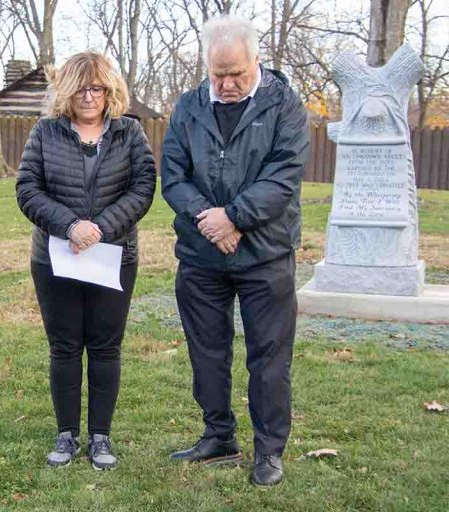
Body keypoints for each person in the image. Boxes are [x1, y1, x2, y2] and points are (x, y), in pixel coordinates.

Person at [161, 15, 309, 486]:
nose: (225, 84)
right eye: (217, 74)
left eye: (236, 74)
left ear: (256, 61)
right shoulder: (188, 107)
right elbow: (174, 175)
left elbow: (283, 176)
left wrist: (235, 217)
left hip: (266, 254)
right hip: (203, 254)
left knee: (268, 357)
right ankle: (218, 434)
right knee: (207, 351)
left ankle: (269, 451)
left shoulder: (284, 105)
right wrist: (211, 220)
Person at [16, 52, 157, 471]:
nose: (89, 96)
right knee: (64, 347)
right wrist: (70, 225)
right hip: (55, 258)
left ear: (110, 90)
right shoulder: (44, 133)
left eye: (97, 88)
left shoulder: (130, 132)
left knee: (105, 346)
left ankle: (100, 436)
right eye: (81, 88)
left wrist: (100, 228)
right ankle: (66, 434)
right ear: (66, 91)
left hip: (113, 256)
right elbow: (27, 189)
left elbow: (143, 187)